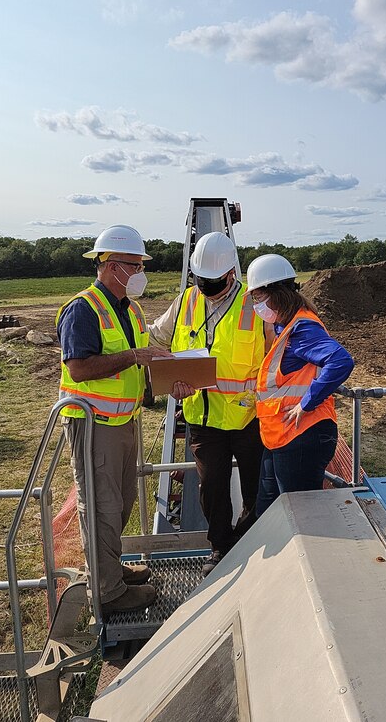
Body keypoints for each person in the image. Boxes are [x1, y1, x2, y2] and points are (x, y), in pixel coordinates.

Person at [56, 224, 173, 618]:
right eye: (135, 264)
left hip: (123, 423)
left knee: (119, 505)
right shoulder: (83, 309)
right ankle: (107, 591)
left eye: (141, 264)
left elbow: (140, 365)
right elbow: (78, 366)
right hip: (94, 427)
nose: (141, 272)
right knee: (102, 507)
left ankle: (110, 569)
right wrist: (134, 357)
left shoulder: (130, 309)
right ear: (110, 265)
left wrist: (169, 378)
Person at [149, 232, 271, 576]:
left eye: (212, 282)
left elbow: (276, 355)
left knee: (256, 489)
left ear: (232, 274)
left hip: (249, 417)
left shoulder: (254, 304)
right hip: (202, 418)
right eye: (200, 280)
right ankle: (221, 548)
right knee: (212, 489)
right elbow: (156, 337)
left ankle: (250, 541)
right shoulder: (186, 301)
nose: (205, 287)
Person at [246, 254, 354, 516]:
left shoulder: (302, 328)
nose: (257, 304)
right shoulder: (287, 325)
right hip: (283, 437)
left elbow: (340, 361)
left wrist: (307, 403)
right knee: (268, 511)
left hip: (302, 437)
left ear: (276, 294)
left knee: (300, 517)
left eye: (259, 297)